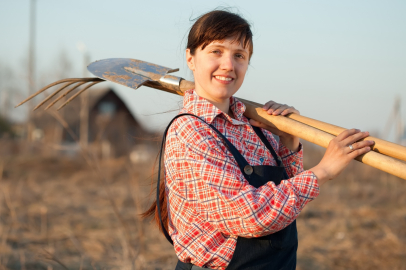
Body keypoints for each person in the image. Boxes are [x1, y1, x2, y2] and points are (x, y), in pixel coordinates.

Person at [143, 9, 374, 270]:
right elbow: (249, 216)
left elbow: (286, 202)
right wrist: (323, 170)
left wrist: (289, 140)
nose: (229, 65)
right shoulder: (190, 131)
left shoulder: (255, 125)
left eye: (239, 56)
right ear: (191, 58)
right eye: (216, 51)